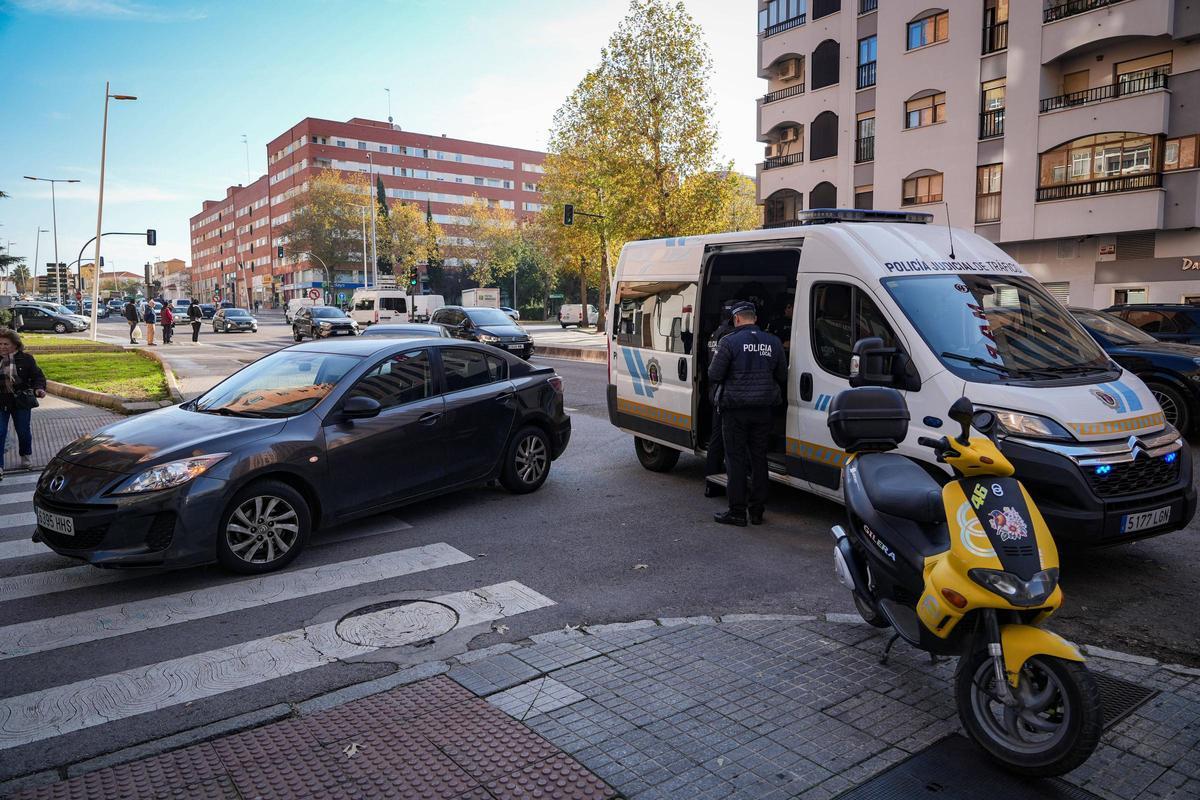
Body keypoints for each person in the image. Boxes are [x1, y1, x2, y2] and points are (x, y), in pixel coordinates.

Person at [706, 301, 786, 527]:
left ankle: (737, 512)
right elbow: (781, 373)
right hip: (763, 410)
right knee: (759, 459)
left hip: (735, 411)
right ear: (755, 319)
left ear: (736, 319)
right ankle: (758, 511)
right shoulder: (773, 342)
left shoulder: (729, 342)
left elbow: (715, 374)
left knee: (736, 460)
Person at [704, 301, 740, 498]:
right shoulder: (730, 337)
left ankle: (711, 483)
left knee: (716, 439)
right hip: (725, 394)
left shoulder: (715, 334)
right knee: (728, 441)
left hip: (715, 392)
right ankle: (723, 483)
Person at [0, 329, 47, 480]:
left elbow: (37, 376)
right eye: (0, 343)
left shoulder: (26, 359)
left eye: (6, 344)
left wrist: (39, 388)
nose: (2, 346)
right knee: (0, 432)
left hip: (21, 401)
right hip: (1, 401)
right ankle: (0, 466)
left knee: (23, 431)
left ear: (15, 345)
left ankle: (26, 456)